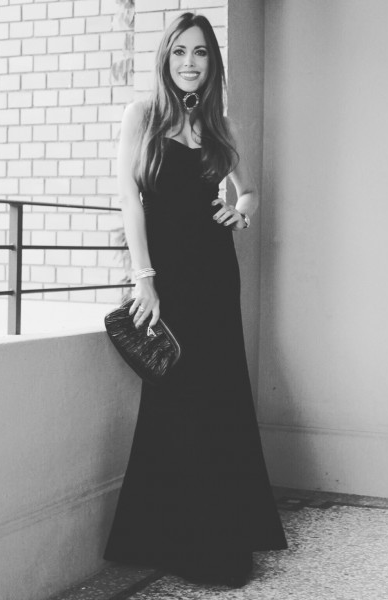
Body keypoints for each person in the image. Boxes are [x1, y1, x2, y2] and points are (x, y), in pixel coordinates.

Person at [103, 12, 287, 588]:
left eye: (201, 52)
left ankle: (219, 537)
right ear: (166, 58)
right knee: (173, 400)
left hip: (215, 275)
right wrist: (144, 277)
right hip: (167, 278)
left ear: (212, 62)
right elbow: (129, 199)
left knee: (219, 398)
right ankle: (164, 537)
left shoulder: (219, 125)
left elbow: (249, 191)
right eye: (180, 51)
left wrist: (241, 213)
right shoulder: (141, 116)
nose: (190, 62)